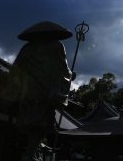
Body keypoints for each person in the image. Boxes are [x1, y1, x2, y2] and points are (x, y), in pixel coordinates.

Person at [8, 21, 74, 161]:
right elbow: (63, 70)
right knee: (39, 127)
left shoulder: (27, 48)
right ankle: (31, 154)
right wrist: (70, 75)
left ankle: (31, 153)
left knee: (32, 126)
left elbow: (15, 70)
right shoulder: (56, 46)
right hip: (45, 94)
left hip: (28, 94)